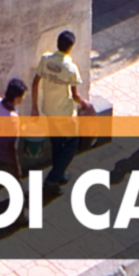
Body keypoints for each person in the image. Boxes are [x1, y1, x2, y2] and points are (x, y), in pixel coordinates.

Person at [31, 30, 85, 192]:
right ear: (70, 47)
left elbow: (35, 83)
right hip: (65, 113)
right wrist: (85, 104)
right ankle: (53, 178)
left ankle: (58, 174)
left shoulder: (46, 60)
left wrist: (34, 107)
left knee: (56, 143)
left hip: (49, 109)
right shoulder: (70, 68)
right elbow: (75, 95)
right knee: (71, 144)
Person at [0, 78, 27, 176]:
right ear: (17, 98)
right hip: (5, 160)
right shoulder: (13, 119)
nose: (24, 98)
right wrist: (17, 168)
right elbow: (12, 147)